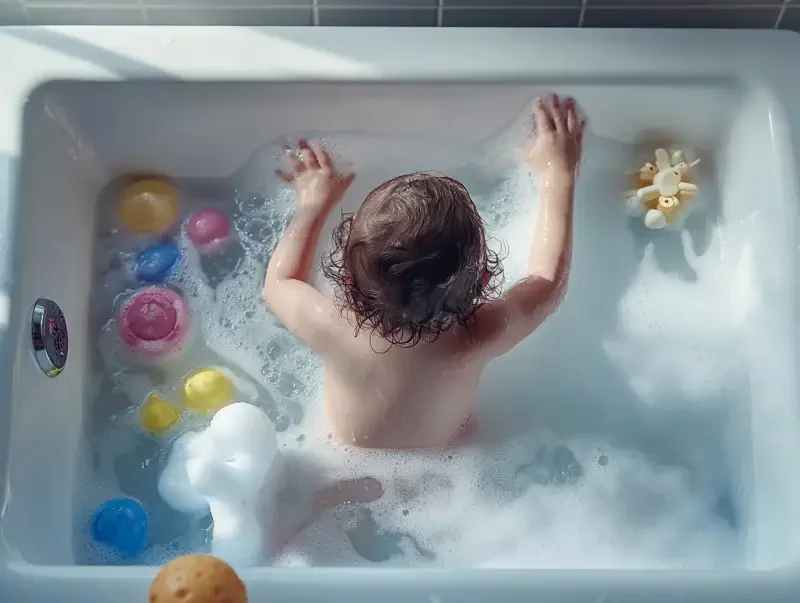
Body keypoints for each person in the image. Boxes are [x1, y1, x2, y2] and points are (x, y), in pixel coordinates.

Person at [264, 94, 584, 449]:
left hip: (343, 453)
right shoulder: (480, 334)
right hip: (450, 461)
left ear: (346, 278)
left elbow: (281, 281)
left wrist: (313, 204)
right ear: (485, 281)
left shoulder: (329, 325)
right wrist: (559, 173)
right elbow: (548, 280)